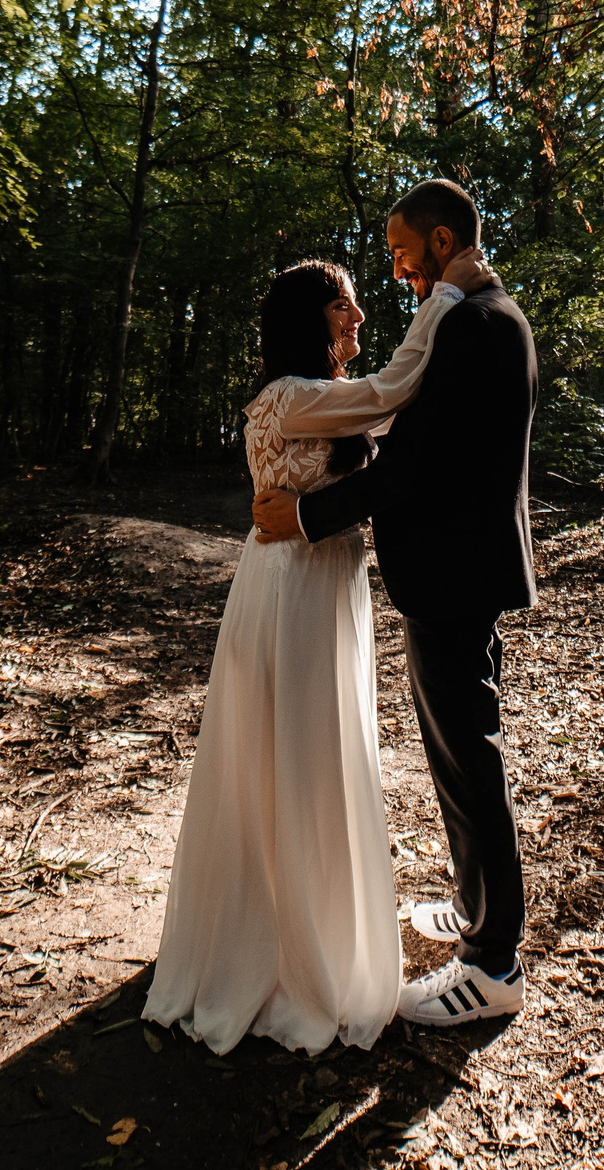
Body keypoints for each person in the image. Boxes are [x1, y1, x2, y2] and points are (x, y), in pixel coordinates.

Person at [142, 256, 472, 1053]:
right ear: (310, 318)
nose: (360, 319)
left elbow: (396, 424)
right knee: (304, 752)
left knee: (288, 750)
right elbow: (394, 393)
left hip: (293, 578)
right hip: (299, 588)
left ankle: (272, 920)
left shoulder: (309, 400)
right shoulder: (296, 397)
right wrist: (441, 301)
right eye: (346, 309)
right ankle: (289, 953)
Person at [254, 178, 537, 1027]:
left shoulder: (475, 324)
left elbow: (417, 468)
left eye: (403, 252)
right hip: (455, 571)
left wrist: (307, 515)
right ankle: (475, 903)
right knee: (455, 754)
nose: (399, 269)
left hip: (455, 573)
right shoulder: (482, 317)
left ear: (442, 241)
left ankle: (492, 964)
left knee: (468, 755)